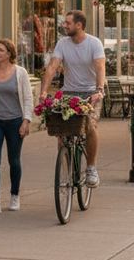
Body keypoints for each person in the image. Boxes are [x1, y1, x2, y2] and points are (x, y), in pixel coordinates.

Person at [38, 10, 105, 187]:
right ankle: (67, 170)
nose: (64, 25)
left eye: (68, 23)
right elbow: (52, 67)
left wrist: (99, 90)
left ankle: (91, 168)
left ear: (79, 25)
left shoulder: (94, 43)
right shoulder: (63, 43)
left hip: (91, 92)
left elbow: (100, 67)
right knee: (62, 130)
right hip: (69, 92)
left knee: (90, 125)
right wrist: (43, 91)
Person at [0, 39, 34, 215]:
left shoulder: (20, 73)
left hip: (15, 121)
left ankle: (15, 195)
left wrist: (26, 120)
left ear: (9, 54)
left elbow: (27, 98)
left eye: (1, 50)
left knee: (14, 161)